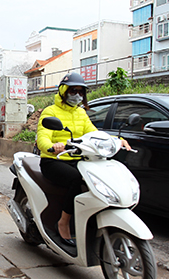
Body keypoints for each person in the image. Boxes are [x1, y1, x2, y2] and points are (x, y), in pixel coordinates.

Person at [37, 72, 130, 248]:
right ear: (64, 91)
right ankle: (63, 222)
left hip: (78, 159)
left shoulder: (81, 113)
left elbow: (94, 133)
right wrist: (52, 146)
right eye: (73, 91)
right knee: (76, 179)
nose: (77, 95)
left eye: (80, 92)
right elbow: (43, 137)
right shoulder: (51, 111)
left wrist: (116, 140)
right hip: (54, 160)